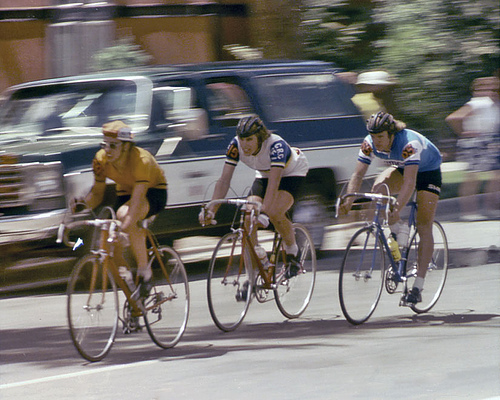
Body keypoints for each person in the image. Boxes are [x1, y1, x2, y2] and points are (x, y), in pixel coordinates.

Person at [339, 111, 442, 304]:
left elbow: (410, 183)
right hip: (403, 167)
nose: (376, 141)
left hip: (428, 172)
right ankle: (396, 232)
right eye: (373, 137)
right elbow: (358, 174)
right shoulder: (369, 143)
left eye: (380, 137)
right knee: (379, 189)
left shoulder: (409, 144)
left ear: (391, 134)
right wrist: (349, 200)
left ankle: (418, 287)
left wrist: (397, 208)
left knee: (423, 224)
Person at [199, 114, 309, 278]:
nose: (245, 144)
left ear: (260, 137)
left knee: (274, 212)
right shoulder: (235, 145)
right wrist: (212, 209)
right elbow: (224, 180)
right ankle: (258, 266)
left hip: (292, 172)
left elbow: (274, 183)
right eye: (242, 139)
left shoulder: (275, 145)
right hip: (264, 174)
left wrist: (264, 212)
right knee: (248, 215)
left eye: (249, 139)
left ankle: (293, 251)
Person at [72, 120, 167, 298]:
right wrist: (80, 206)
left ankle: (145, 274)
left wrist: (123, 230)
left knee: (125, 218)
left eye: (113, 145)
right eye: (104, 144)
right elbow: (97, 194)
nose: (107, 150)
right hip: (125, 192)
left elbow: (136, 203)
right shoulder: (100, 160)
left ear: (126, 146)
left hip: (153, 192)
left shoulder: (141, 160)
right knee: (109, 233)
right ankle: (129, 283)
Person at [445, 76, 500, 220]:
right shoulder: (477, 102)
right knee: (473, 178)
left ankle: (490, 208)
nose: (490, 90)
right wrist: (464, 133)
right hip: (476, 142)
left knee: (496, 176)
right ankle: (469, 212)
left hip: (488, 140)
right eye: (485, 87)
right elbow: (454, 118)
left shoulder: (492, 103)